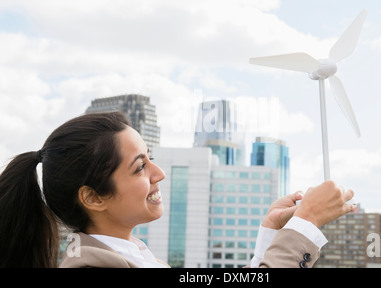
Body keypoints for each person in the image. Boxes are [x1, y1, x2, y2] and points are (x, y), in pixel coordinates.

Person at [0, 111, 355, 268]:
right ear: (93, 197)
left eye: (150, 158)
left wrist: (270, 235)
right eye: (140, 167)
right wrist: (304, 225)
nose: (159, 174)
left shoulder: (137, 257)